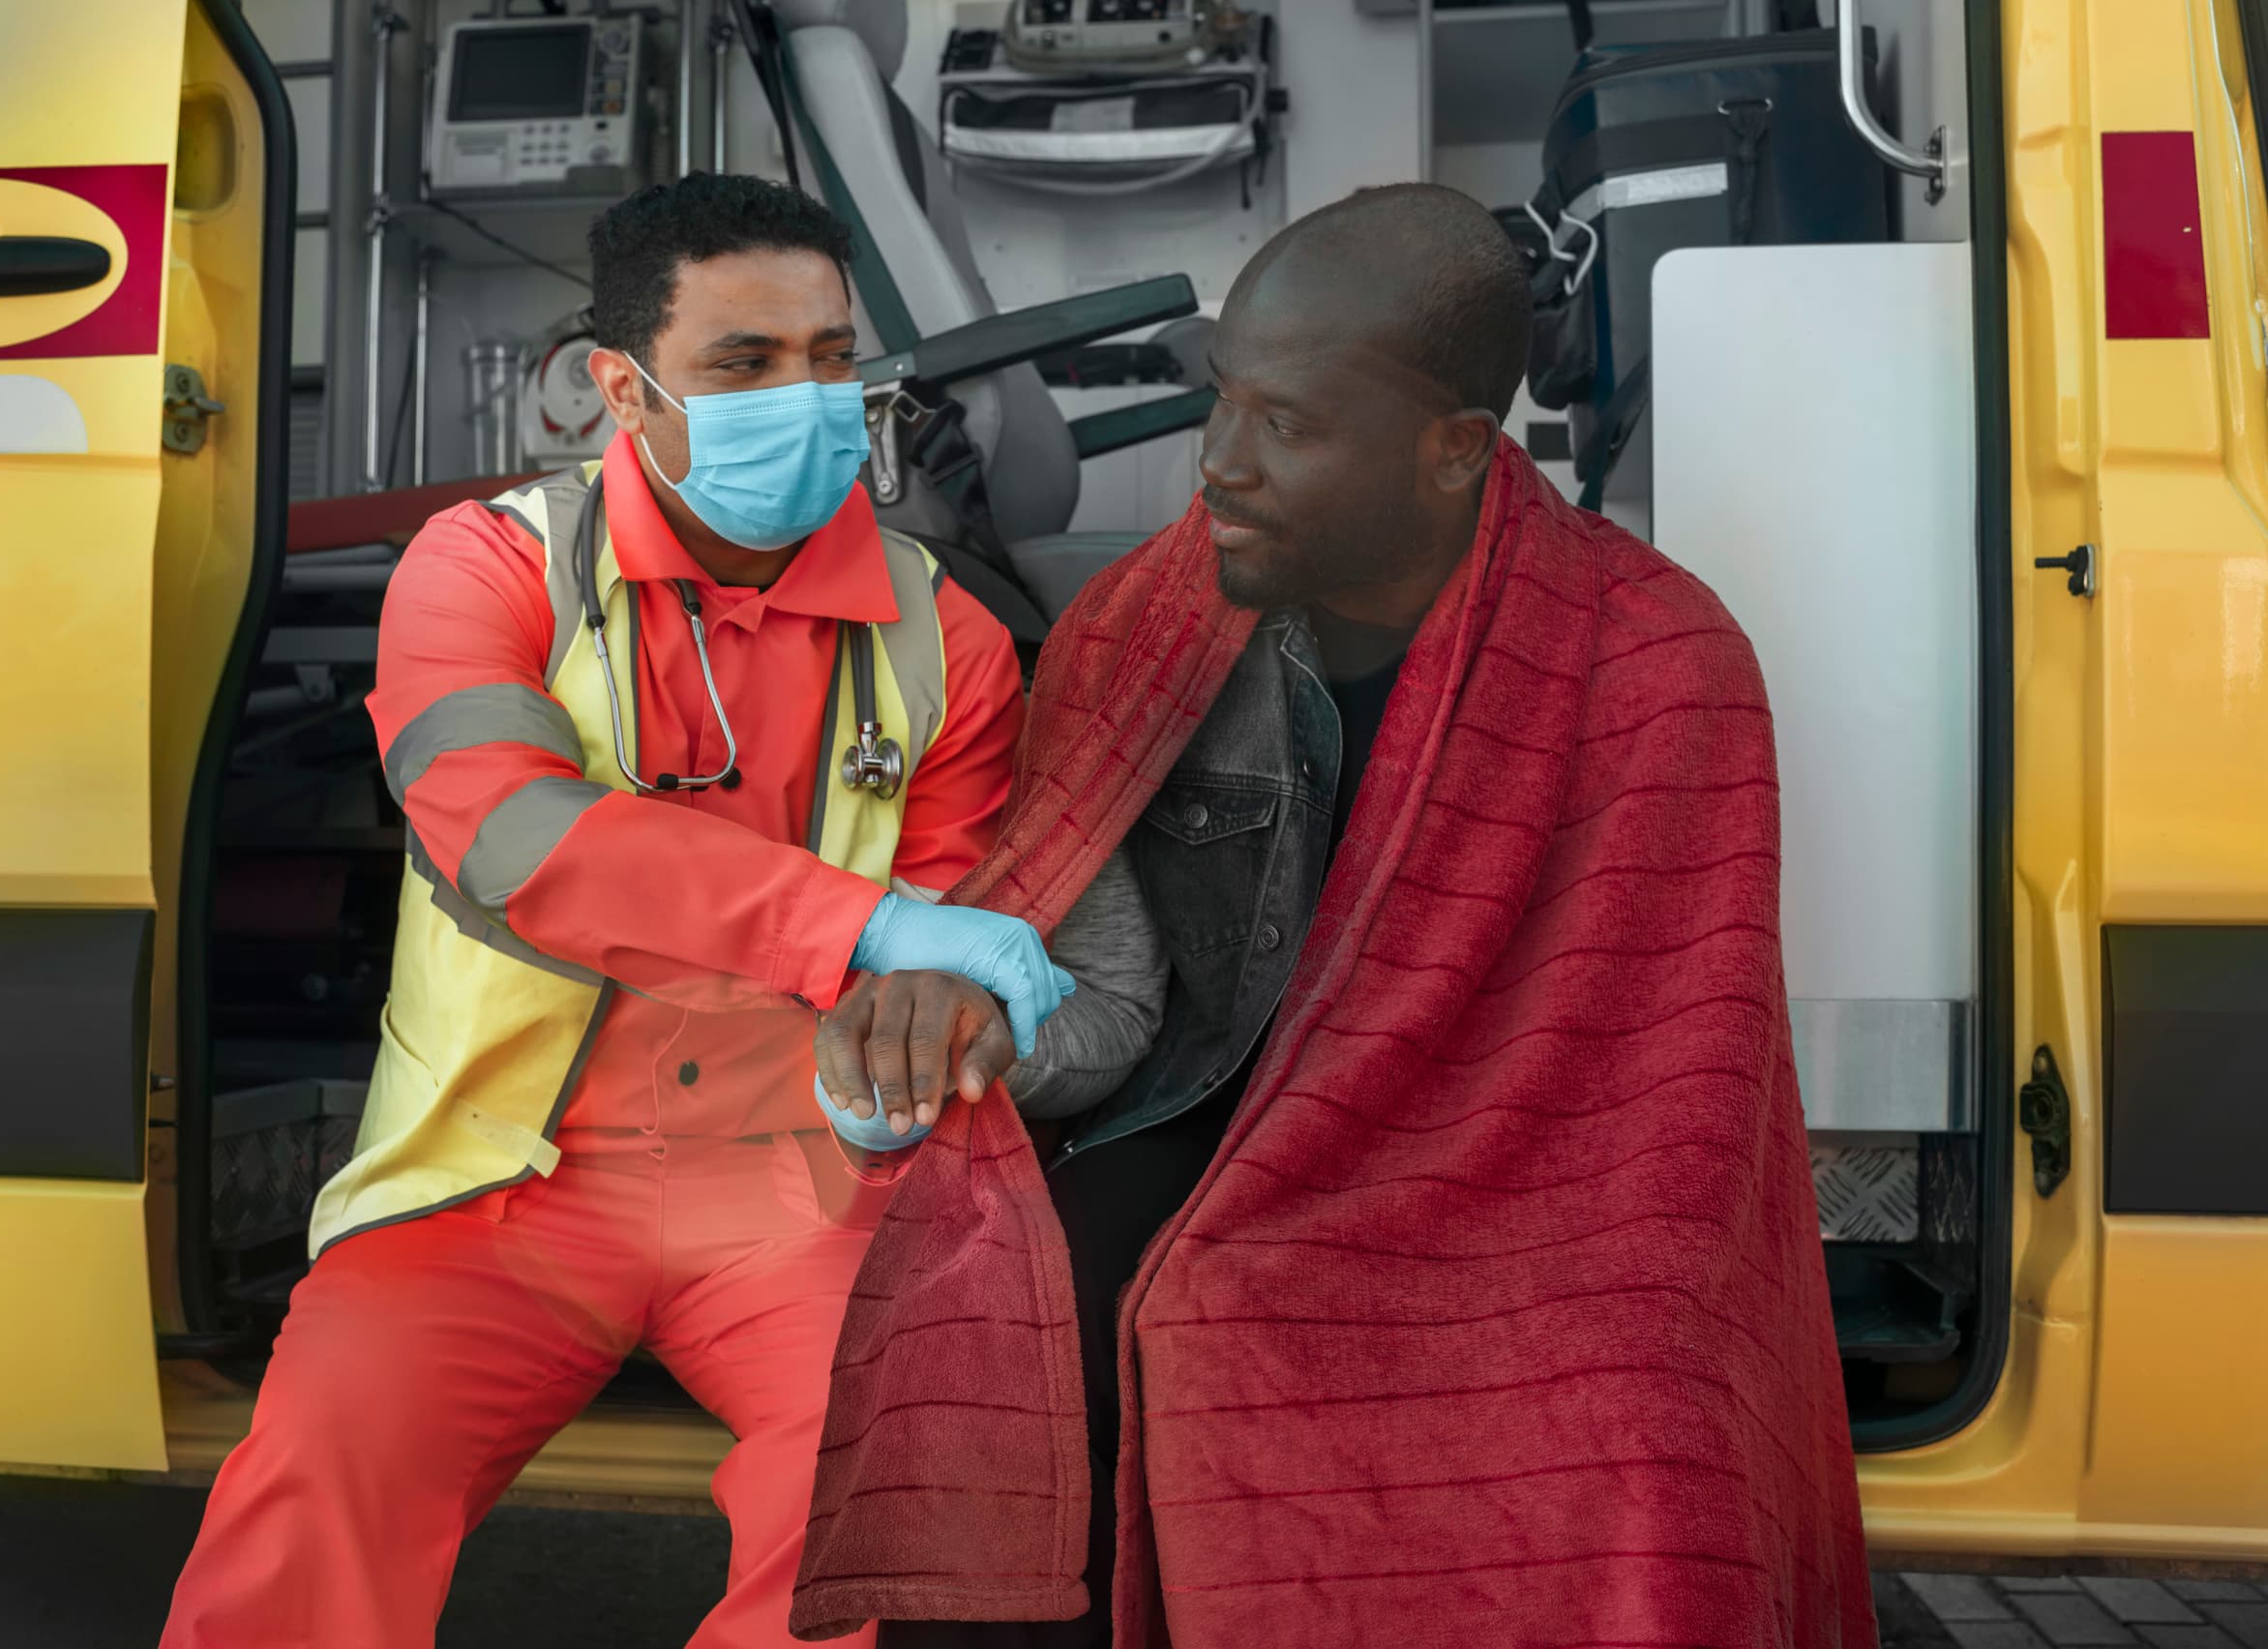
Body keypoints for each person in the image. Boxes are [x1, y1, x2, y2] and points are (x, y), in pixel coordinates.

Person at [792, 185, 1876, 1648]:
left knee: (1632, 1396)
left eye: (1285, 427)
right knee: (1007, 1320)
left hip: (1526, 1163)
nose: (1220, 468)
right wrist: (974, 1014)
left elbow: (1673, 1120)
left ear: (1451, 453)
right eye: (1221, 407)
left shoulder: (1662, 659)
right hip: (1202, 1111)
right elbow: (1109, 1003)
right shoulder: (1136, 631)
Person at [161, 172, 1076, 1649]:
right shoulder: (485, 567)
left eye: (835, 356)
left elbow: (947, 926)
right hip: (497, 1175)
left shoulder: (944, 634)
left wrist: (921, 1018)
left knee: (870, 1513)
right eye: (746, 363)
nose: (810, 395)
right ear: (621, 387)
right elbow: (507, 839)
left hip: (800, 1184)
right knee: (320, 1485)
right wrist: (863, 927)